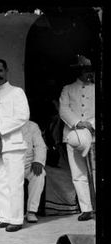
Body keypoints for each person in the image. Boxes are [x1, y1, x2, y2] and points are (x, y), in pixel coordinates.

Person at [0, 59, 30, 232]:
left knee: (14, 182)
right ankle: (4, 216)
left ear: (6, 70)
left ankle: (16, 220)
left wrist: (0, 128)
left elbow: (23, 116)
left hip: (14, 144)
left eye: (0, 71)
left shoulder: (17, 92)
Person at [59, 55, 95, 221]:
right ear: (78, 71)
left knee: (95, 171)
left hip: (93, 135)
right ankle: (86, 208)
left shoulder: (95, 88)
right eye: (85, 70)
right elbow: (64, 110)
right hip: (73, 136)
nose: (89, 73)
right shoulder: (68, 89)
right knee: (78, 173)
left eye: (90, 70)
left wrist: (90, 124)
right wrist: (78, 123)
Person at [22, 120, 47, 223]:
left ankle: (31, 211)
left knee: (39, 175)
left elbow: (40, 145)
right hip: (9, 164)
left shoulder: (32, 125)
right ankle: (9, 213)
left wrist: (38, 161)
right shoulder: (3, 123)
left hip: (28, 163)